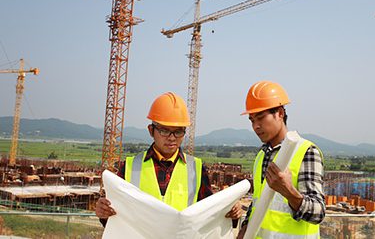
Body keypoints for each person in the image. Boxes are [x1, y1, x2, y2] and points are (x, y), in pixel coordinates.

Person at [95, 92, 243, 226]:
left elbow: (210, 213)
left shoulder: (196, 169)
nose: (172, 138)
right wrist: (104, 212)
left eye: (178, 132)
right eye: (165, 130)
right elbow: (115, 214)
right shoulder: (129, 167)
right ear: (151, 130)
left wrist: (231, 212)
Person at [237, 81, 325, 239]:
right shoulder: (261, 155)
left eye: (260, 118)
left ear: (280, 113)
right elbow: (258, 201)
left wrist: (289, 192)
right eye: (252, 120)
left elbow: (318, 213)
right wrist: (246, 226)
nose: (256, 126)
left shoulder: (306, 152)